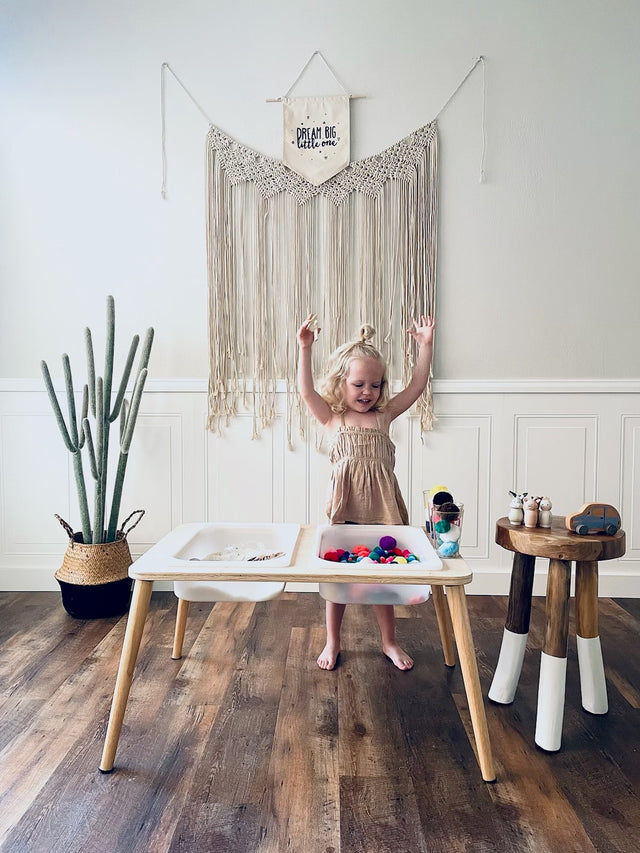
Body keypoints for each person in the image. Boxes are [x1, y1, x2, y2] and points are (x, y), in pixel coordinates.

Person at [296, 313, 436, 671]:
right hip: (345, 511)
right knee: (337, 581)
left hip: (382, 511)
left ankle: (389, 641)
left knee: (381, 581)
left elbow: (417, 387)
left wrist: (425, 346)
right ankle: (333, 641)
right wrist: (305, 349)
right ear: (341, 384)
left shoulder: (384, 416)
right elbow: (306, 391)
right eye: (358, 385)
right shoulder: (333, 419)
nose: (367, 393)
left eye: (375, 385)